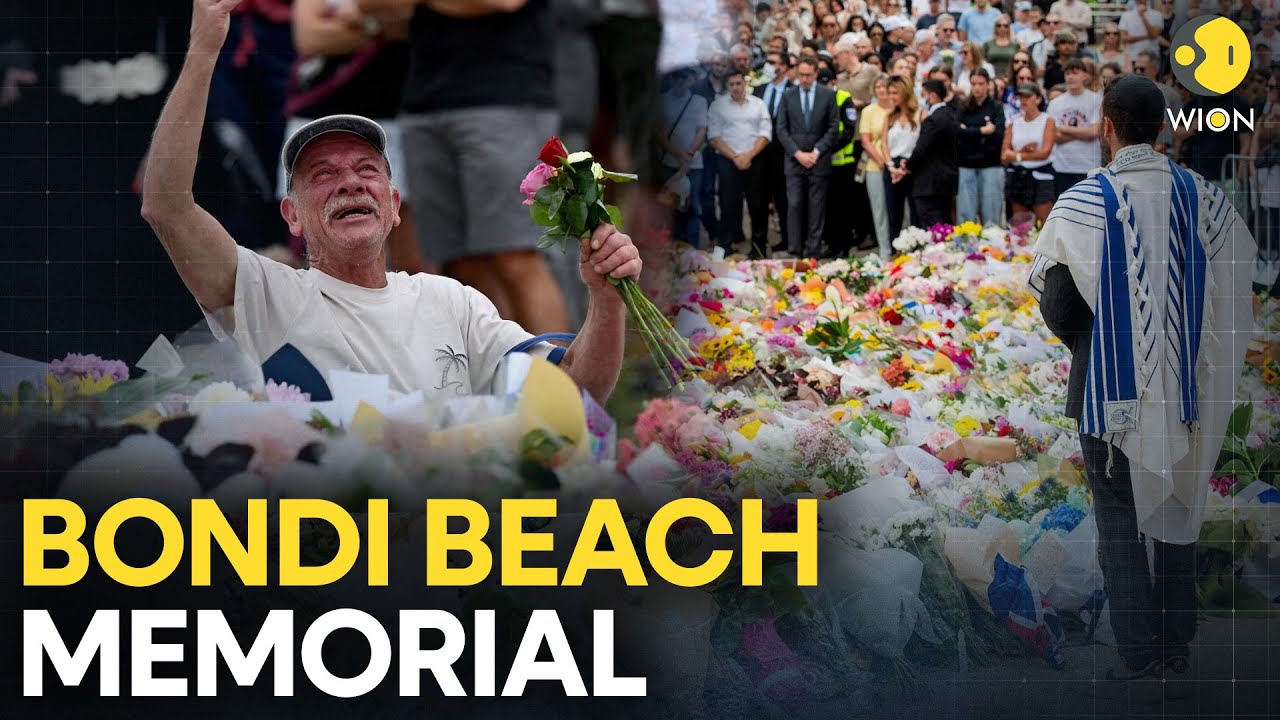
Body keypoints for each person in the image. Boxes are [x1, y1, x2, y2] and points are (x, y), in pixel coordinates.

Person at [143, 0, 641, 404]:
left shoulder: (453, 301)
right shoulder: (263, 293)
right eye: (323, 174)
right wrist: (203, 50)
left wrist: (605, 301)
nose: (350, 183)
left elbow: (577, 388)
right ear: (291, 214)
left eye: (366, 171)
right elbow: (166, 204)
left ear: (395, 205)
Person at [1029, 73, 1254, 687]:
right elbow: (1239, 278)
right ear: (1163, 126)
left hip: (1108, 389)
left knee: (1119, 521)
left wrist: (1098, 342)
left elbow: (1059, 301)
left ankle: (1138, 651)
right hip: (1186, 387)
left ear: (1105, 124)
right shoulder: (1203, 196)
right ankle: (1176, 642)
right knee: (1177, 508)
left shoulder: (1083, 201)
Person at [359, 0, 568, 335]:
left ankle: (562, 381)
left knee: (514, 256)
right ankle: (504, 378)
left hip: (505, 99)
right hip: (424, 104)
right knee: (463, 264)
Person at [286, 0, 425, 275]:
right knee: (322, 259)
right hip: (317, 119)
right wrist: (376, 22)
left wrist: (356, 18)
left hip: (395, 118)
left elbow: (405, 24)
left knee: (410, 263)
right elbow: (310, 37)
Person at [776, 57, 840, 257]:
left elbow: (832, 127)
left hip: (818, 158)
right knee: (794, 204)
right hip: (794, 159)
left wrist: (816, 151)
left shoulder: (828, 95)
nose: (804, 79)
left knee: (816, 206)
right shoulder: (788, 95)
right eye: (801, 74)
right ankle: (794, 248)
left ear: (815, 74)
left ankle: (813, 248)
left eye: (808, 75)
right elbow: (781, 128)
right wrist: (797, 153)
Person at [708, 70, 773, 255]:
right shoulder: (718, 105)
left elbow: (766, 133)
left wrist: (749, 156)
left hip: (755, 159)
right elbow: (714, 136)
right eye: (732, 84)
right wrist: (736, 157)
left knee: (758, 206)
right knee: (729, 205)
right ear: (727, 86)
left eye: (738, 83)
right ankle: (726, 246)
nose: (736, 88)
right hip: (728, 160)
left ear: (744, 84)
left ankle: (759, 248)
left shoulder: (758, 104)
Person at [661, 67, 710, 247]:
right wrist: (679, 153)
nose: (680, 81)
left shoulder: (699, 101)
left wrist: (688, 154)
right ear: (671, 79)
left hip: (693, 164)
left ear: (690, 79)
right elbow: (661, 133)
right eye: (676, 77)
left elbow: (702, 130)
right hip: (670, 162)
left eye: (684, 77)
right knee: (669, 207)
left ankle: (692, 249)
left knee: (693, 207)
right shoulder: (664, 100)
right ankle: (671, 249)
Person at [899, 78, 957, 227]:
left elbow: (921, 149)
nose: (922, 99)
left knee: (932, 228)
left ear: (933, 96)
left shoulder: (933, 120)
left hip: (930, 182)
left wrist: (908, 165)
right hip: (947, 180)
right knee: (945, 223)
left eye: (923, 94)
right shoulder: (951, 115)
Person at [756, 52, 796, 252]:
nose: (768, 66)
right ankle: (759, 243)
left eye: (773, 62)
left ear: (785, 67)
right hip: (760, 153)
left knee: (784, 200)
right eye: (767, 62)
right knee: (760, 200)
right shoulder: (758, 90)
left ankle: (788, 240)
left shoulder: (793, 90)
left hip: (784, 153)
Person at [956, 69, 1005, 227]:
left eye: (980, 84)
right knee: (966, 213)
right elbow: (958, 132)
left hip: (990, 163)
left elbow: (998, 133)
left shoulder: (995, 107)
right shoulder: (963, 106)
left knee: (991, 213)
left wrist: (969, 130)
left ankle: (992, 247)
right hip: (966, 163)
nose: (976, 88)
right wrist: (981, 131)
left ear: (988, 84)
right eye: (973, 84)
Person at [1001, 82, 1056, 224]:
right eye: (1021, 97)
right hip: (1018, 176)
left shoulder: (1047, 120)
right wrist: (1023, 151)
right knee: (1020, 225)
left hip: (1041, 176)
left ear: (1038, 98)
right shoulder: (1014, 122)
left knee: (1043, 223)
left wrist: (1017, 155)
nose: (1024, 100)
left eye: (1028, 97)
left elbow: (1045, 152)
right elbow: (1004, 155)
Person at [1047, 58, 1100, 197]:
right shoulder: (1055, 103)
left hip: (1088, 166)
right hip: (1062, 166)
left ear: (1085, 75)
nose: (1070, 77)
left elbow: (1094, 132)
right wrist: (1083, 132)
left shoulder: (1096, 100)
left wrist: (1064, 129)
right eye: (1067, 73)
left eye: (1075, 73)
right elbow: (1054, 136)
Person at [880, 74, 922, 238]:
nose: (891, 97)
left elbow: (921, 143)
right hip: (892, 166)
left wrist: (907, 167)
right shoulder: (889, 117)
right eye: (889, 92)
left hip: (912, 165)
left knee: (915, 211)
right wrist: (891, 166)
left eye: (895, 93)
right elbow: (884, 143)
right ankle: (894, 250)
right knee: (893, 213)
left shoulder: (920, 115)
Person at [860, 73, 894, 258]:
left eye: (884, 86)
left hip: (895, 165)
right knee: (879, 209)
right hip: (875, 166)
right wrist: (881, 161)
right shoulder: (868, 111)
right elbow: (866, 140)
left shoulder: (897, 109)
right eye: (878, 87)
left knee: (897, 209)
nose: (881, 90)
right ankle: (884, 249)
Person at [983, 14, 1018, 78]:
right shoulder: (987, 44)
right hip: (991, 77)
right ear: (995, 28)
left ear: (1009, 28)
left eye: (1005, 26)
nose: (1002, 28)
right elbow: (983, 62)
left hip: (1010, 77)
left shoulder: (1015, 45)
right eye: (999, 26)